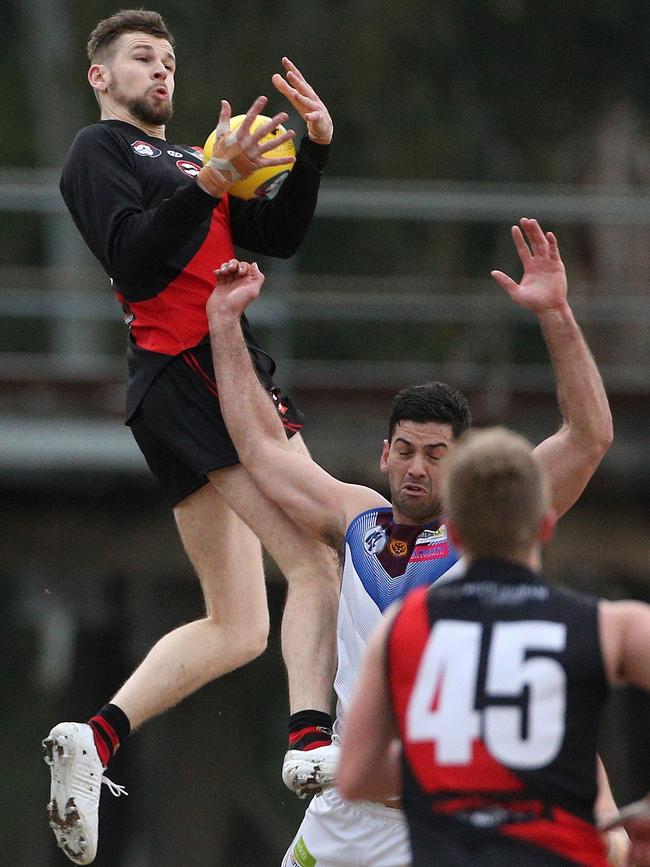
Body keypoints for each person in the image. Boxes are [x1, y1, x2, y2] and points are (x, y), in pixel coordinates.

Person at [205, 217, 616, 867]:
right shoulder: (357, 517)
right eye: (405, 451)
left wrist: (557, 314)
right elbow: (257, 448)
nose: (417, 468)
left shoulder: (492, 522)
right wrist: (224, 326)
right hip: (343, 813)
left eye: (435, 453)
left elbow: (589, 436)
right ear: (385, 453)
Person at [43, 9, 341, 865]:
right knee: (320, 557)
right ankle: (313, 741)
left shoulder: (187, 159)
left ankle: (92, 739)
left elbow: (273, 235)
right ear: (100, 76)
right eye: (142, 58)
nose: (161, 71)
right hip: (194, 372)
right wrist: (210, 181)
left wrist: (312, 152)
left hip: (199, 379)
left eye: (169, 60)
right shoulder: (99, 153)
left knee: (241, 623)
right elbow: (136, 260)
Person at [338, 426, 650, 867]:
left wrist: (457, 766)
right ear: (545, 525)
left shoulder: (402, 629)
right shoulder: (604, 625)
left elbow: (355, 775)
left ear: (455, 534)